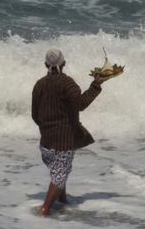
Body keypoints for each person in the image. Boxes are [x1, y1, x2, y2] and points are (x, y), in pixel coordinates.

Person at [31, 48, 104, 216]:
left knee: (60, 171)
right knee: (60, 175)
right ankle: (44, 210)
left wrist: (46, 128)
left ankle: (62, 201)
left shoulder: (39, 85)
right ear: (63, 63)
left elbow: (35, 115)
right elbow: (81, 104)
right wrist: (96, 85)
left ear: (45, 65)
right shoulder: (67, 83)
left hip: (45, 143)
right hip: (63, 142)